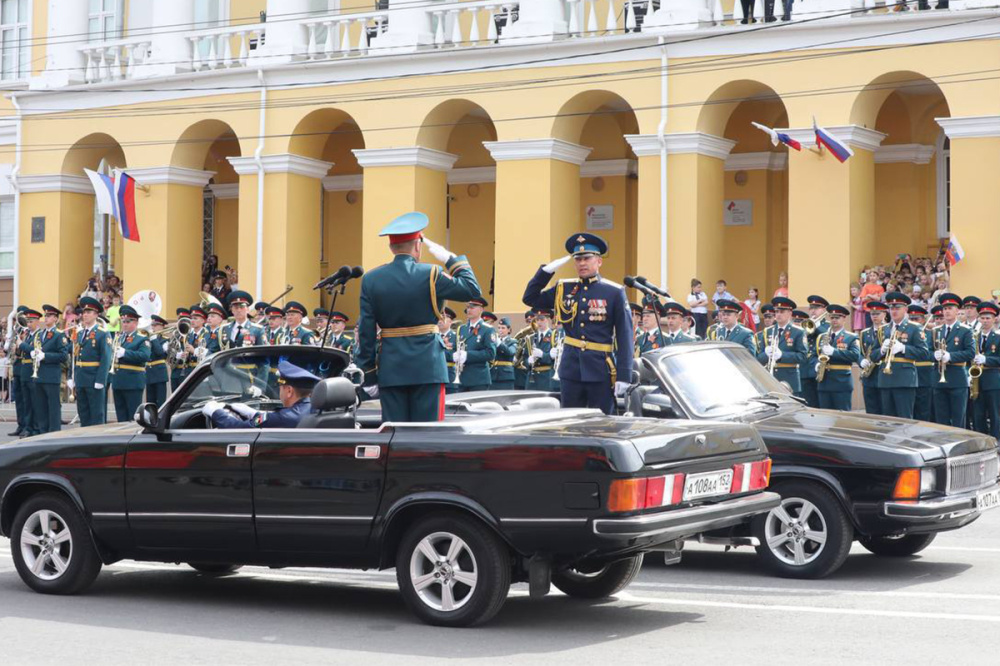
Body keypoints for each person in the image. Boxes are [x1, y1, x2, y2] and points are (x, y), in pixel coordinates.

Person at [357, 211, 482, 422]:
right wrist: (452, 260)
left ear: (391, 247)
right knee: (427, 434)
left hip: (391, 367)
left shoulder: (371, 279)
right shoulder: (431, 273)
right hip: (428, 366)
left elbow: (366, 330)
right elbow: (471, 290)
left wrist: (368, 373)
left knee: (394, 434)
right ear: (417, 245)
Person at [523, 232, 633, 415]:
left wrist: (624, 374)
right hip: (571, 368)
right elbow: (530, 298)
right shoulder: (563, 288)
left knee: (602, 424)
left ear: (599, 261)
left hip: (600, 368)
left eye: (587, 258)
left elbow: (625, 335)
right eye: (578, 259)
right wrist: (545, 272)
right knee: (570, 422)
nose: (582, 263)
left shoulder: (613, 291)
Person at [204, 360, 319, 429]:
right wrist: (253, 413)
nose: (279, 390)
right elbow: (271, 419)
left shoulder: (285, 417)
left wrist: (215, 412)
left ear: (289, 391)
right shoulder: (316, 409)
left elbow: (237, 429)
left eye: (280, 387)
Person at [872, 292, 930, 420]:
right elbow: (872, 355)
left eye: (897, 308)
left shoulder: (914, 328)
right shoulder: (883, 329)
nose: (894, 311)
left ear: (906, 309)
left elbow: (924, 353)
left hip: (904, 379)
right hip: (885, 379)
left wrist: (903, 348)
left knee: (904, 418)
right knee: (888, 419)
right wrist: (881, 351)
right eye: (891, 308)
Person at [932, 293, 974, 428]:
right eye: (945, 309)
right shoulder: (935, 330)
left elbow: (970, 353)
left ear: (957, 311)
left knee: (958, 418)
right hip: (938, 379)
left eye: (950, 308)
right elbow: (926, 352)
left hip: (957, 379)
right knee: (941, 418)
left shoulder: (965, 330)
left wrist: (951, 356)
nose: (947, 311)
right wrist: (934, 355)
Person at [69, 297, 112, 426]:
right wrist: (73, 376)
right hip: (81, 377)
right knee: (83, 411)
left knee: (96, 413)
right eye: (84, 312)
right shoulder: (80, 332)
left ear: (96, 315)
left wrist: (101, 380)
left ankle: (97, 442)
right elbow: (75, 356)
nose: (85, 315)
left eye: (89, 312)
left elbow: (105, 359)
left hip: (94, 378)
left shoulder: (102, 333)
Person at [757, 297, 807, 395]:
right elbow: (759, 357)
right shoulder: (768, 331)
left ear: (790, 313)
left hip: (789, 379)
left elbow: (803, 356)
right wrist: (765, 354)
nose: (778, 314)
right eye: (776, 311)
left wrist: (782, 355)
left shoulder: (798, 331)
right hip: (771, 378)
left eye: (782, 312)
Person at [30, 305, 68, 434]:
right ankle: (42, 432)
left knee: (53, 408)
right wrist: (34, 354)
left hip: (51, 376)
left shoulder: (59, 335)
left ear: (56, 319)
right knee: (41, 407)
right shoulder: (40, 334)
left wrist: (45, 356)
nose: (46, 318)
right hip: (39, 375)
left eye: (49, 316)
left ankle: (54, 433)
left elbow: (63, 356)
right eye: (45, 315)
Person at [110, 305, 151, 423]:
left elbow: (145, 356)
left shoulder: (142, 339)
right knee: (121, 417)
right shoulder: (119, 337)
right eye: (123, 321)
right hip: (118, 381)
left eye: (128, 321)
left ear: (136, 322)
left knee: (133, 416)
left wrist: (125, 353)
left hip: (133, 381)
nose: (125, 324)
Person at [815, 304, 860, 411]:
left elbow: (854, 355)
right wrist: (815, 364)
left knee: (843, 417)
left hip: (841, 382)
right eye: (832, 317)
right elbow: (813, 355)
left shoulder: (851, 337)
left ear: (844, 319)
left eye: (837, 317)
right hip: (824, 382)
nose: (834, 320)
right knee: (825, 417)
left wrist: (834, 352)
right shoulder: (822, 337)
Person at [455, 297, 497, 392]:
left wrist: (468, 355)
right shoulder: (461, 329)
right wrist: (455, 354)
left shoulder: (487, 329)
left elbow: (490, 353)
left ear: (481, 309)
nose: (469, 310)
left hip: (479, 379)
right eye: (468, 307)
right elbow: (456, 347)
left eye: (472, 307)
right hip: (462, 377)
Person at [973, 301, 1000, 437]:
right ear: (978, 319)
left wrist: (986, 359)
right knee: (978, 414)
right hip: (976, 381)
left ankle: (997, 441)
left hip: (993, 381)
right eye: (982, 318)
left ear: (995, 319)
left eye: (988, 318)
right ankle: (981, 441)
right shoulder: (973, 337)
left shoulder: (998, 337)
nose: (985, 321)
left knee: (995, 414)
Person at [16, 309, 41, 437]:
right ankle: (28, 427)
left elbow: (35, 350)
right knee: (27, 402)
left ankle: (35, 428)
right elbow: (22, 353)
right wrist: (18, 347)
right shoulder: (28, 335)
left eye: (31, 321)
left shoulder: (39, 335)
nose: (29, 324)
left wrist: (21, 345)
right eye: (28, 321)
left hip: (33, 370)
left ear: (37, 322)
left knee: (34, 402)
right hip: (25, 370)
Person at [859, 302, 887, 415]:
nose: (874, 316)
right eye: (872, 314)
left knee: (885, 409)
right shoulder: (864, 333)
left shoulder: (889, 330)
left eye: (877, 313)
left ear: (884, 314)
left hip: (884, 373)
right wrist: (861, 361)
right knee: (871, 409)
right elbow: (860, 352)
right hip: (869, 376)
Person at [908, 304, 935, 423]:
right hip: (908, 374)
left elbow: (933, 353)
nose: (913, 321)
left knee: (924, 409)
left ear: (923, 319)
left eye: (916, 319)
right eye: (911, 319)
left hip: (925, 375)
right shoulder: (906, 333)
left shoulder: (931, 334)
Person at [526, 309, 557, 391]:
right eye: (537, 320)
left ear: (548, 320)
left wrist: (543, 355)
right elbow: (524, 358)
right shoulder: (531, 337)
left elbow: (556, 360)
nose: (539, 322)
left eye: (542, 319)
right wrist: (528, 361)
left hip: (546, 378)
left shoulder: (554, 336)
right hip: (532, 379)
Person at [145, 315, 170, 409]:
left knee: (160, 402)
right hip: (149, 372)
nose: (153, 327)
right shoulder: (147, 337)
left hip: (160, 373)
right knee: (150, 402)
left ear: (162, 326)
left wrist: (154, 339)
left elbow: (160, 353)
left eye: (155, 325)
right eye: (152, 325)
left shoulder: (166, 339)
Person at [489, 314, 516, 390]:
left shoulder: (513, 341)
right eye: (499, 328)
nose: (500, 330)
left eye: (503, 328)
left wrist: (499, 343)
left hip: (506, 376)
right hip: (493, 375)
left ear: (509, 330)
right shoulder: (494, 342)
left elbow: (510, 352)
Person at [170, 307, 191, 392]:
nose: (181, 323)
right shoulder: (176, 335)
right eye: (179, 320)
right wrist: (176, 355)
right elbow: (169, 356)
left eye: (183, 320)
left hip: (187, 371)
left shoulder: (192, 335)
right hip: (175, 371)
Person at [438, 307, 459, 394]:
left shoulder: (456, 337)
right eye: (439, 318)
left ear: (450, 322)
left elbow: (454, 355)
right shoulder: (433, 336)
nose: (440, 320)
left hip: (449, 375)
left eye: (443, 318)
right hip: (435, 376)